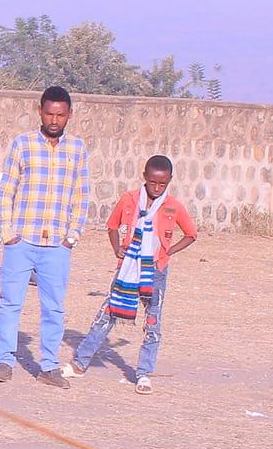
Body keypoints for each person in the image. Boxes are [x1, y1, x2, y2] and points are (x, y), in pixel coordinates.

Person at [0, 85, 90, 386]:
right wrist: (7, 232)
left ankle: (48, 366)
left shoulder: (77, 149)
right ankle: (4, 361)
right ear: (40, 112)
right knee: (10, 303)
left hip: (57, 244)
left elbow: (81, 196)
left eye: (60, 115)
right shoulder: (22, 145)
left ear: (69, 115)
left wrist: (72, 236)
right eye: (49, 113)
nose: (54, 120)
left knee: (55, 307)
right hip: (22, 239)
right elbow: (6, 191)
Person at [70, 155, 197, 394]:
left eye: (162, 184)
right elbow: (112, 226)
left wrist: (167, 252)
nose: (157, 188)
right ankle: (80, 362)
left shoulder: (173, 206)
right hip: (127, 269)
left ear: (169, 181)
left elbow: (191, 234)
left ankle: (143, 373)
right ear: (144, 178)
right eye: (152, 183)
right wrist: (117, 248)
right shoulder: (129, 200)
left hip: (155, 272)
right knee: (107, 315)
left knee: (152, 322)